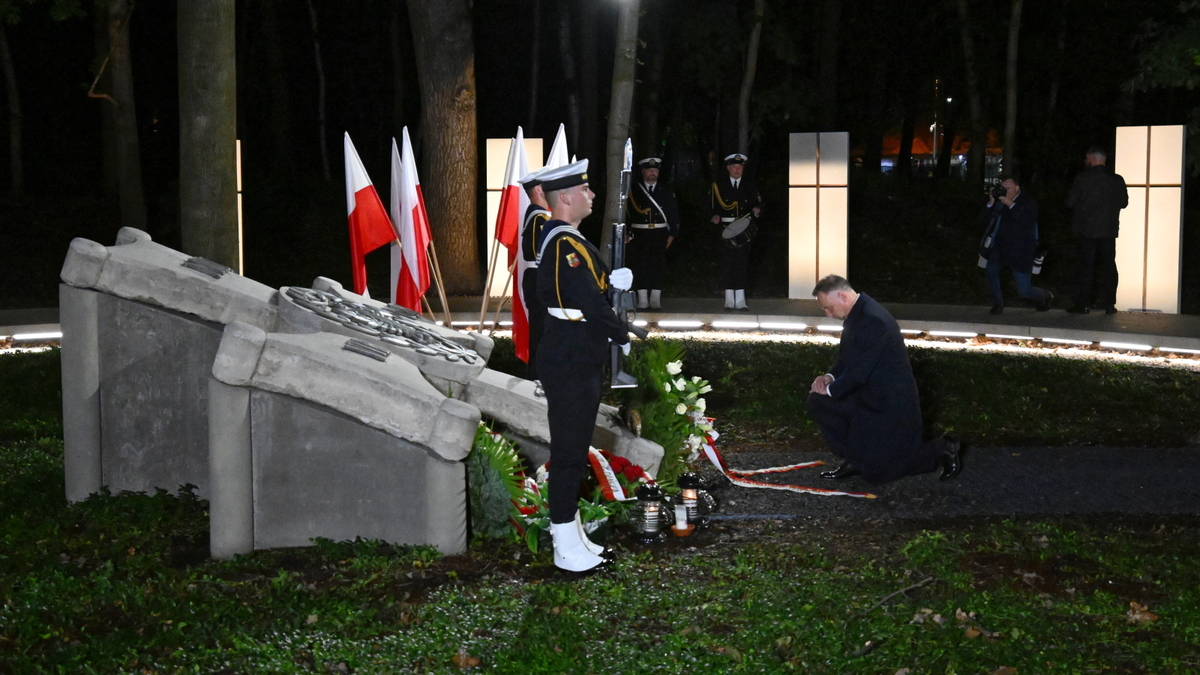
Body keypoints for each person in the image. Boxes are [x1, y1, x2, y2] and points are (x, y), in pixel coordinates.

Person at [535, 159, 637, 573]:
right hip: (571, 358)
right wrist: (623, 332)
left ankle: (573, 536)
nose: (592, 195)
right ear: (566, 198)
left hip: (576, 355)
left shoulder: (568, 240)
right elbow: (589, 304)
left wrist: (612, 279)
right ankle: (564, 544)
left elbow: (589, 290)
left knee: (575, 451)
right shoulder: (562, 244)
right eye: (586, 190)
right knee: (569, 452)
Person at [806, 275, 961, 485]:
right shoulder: (858, 313)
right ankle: (855, 459)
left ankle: (942, 448)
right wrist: (828, 377)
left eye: (828, 308)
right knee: (819, 401)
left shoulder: (872, 320)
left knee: (878, 474)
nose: (827, 314)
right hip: (866, 395)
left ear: (842, 296)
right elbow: (846, 358)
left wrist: (831, 390)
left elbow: (859, 372)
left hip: (889, 405)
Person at [1065, 146, 1129, 314]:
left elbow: (1070, 202)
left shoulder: (1083, 178)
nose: (1085, 161)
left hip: (1086, 229)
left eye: (1087, 158)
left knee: (1086, 267)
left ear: (1092, 159)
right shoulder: (1117, 179)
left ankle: (1084, 303)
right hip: (1108, 229)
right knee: (1109, 266)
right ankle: (1109, 304)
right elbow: (1124, 202)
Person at [980, 175, 1053, 315]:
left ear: (1017, 188)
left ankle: (1045, 295)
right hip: (1000, 247)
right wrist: (991, 201)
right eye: (1003, 188)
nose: (1005, 191)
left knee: (1024, 290)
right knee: (991, 270)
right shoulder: (999, 201)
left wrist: (1009, 203)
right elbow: (985, 219)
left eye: (1009, 188)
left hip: (1021, 250)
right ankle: (997, 302)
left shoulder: (1028, 201)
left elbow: (1026, 220)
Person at [709, 153, 763, 310]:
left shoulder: (750, 185)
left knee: (742, 264)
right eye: (734, 166)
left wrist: (757, 211)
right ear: (728, 168)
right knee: (727, 264)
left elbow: (759, 205)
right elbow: (710, 206)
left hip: (745, 231)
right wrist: (714, 216)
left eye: (739, 167)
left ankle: (740, 300)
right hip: (725, 230)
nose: (737, 169)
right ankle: (728, 299)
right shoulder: (718, 186)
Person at [627, 157, 680, 309]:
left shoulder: (666, 190)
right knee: (640, 265)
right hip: (639, 232)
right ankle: (642, 299)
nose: (652, 172)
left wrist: (672, 234)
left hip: (659, 232)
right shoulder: (634, 191)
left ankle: (655, 299)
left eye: (655, 170)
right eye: (649, 170)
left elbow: (673, 214)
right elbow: (628, 213)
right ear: (643, 171)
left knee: (658, 265)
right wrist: (627, 232)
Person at [516, 167, 552, 380]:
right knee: (541, 330)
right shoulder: (540, 218)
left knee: (542, 329)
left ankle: (537, 374)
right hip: (539, 278)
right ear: (538, 189)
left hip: (536, 278)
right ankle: (537, 376)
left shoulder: (538, 215)